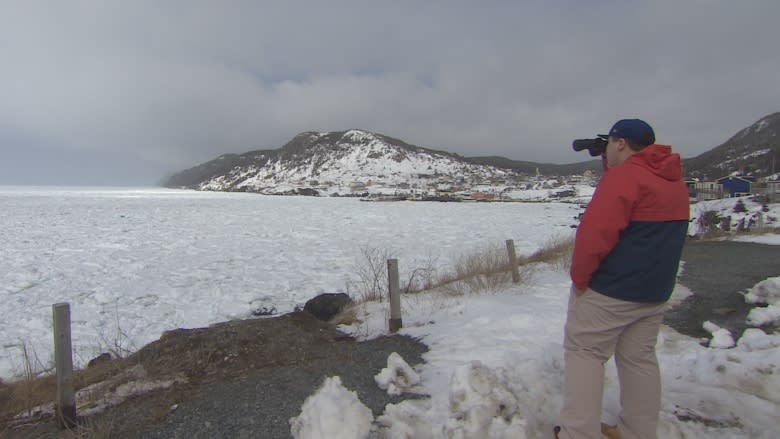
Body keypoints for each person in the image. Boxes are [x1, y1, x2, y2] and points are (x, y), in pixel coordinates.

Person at [556, 119, 690, 439]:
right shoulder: (673, 179)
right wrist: (608, 163)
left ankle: (577, 433)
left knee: (585, 354)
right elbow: (637, 202)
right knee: (639, 360)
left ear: (620, 143)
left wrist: (580, 279)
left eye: (611, 144)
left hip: (612, 291)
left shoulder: (625, 178)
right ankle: (638, 432)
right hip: (653, 292)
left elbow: (595, 234)